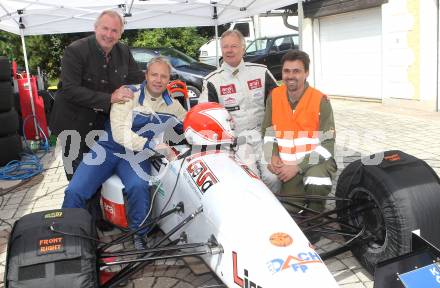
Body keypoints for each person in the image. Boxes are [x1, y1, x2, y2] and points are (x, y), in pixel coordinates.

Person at [62, 56, 187, 250]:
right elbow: (120, 133)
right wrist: (153, 145)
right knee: (75, 190)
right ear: (146, 75)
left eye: (164, 76)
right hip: (109, 148)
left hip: (137, 155)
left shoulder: (173, 106)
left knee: (138, 187)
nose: (158, 80)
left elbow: (190, 125)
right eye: (154, 74)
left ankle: (140, 235)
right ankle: (67, 238)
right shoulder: (128, 93)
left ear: (169, 80)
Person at [50, 10, 144, 179]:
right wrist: (110, 98)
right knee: (78, 178)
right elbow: (70, 89)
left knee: (98, 174)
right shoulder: (75, 50)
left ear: (121, 33)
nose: (109, 34)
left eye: (114, 30)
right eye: (105, 28)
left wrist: (157, 77)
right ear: (95, 28)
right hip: (73, 125)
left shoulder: (123, 51)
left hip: (101, 125)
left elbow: (136, 77)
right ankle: (79, 205)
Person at [199, 29, 279, 192]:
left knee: (273, 177)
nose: (229, 50)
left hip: (264, 135)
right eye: (225, 47)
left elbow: (281, 102)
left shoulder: (261, 71)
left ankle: (275, 209)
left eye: (234, 46)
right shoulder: (212, 81)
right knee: (251, 179)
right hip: (237, 140)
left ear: (243, 48)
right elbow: (205, 117)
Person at [262, 49, 337, 216]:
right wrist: (272, 155)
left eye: (296, 71)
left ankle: (316, 217)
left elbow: (328, 143)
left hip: (316, 161)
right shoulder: (274, 96)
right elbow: (268, 131)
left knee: (316, 180)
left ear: (306, 73)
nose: (290, 76)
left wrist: (298, 167)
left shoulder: (320, 100)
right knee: (290, 213)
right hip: (288, 162)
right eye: (286, 71)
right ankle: (301, 203)